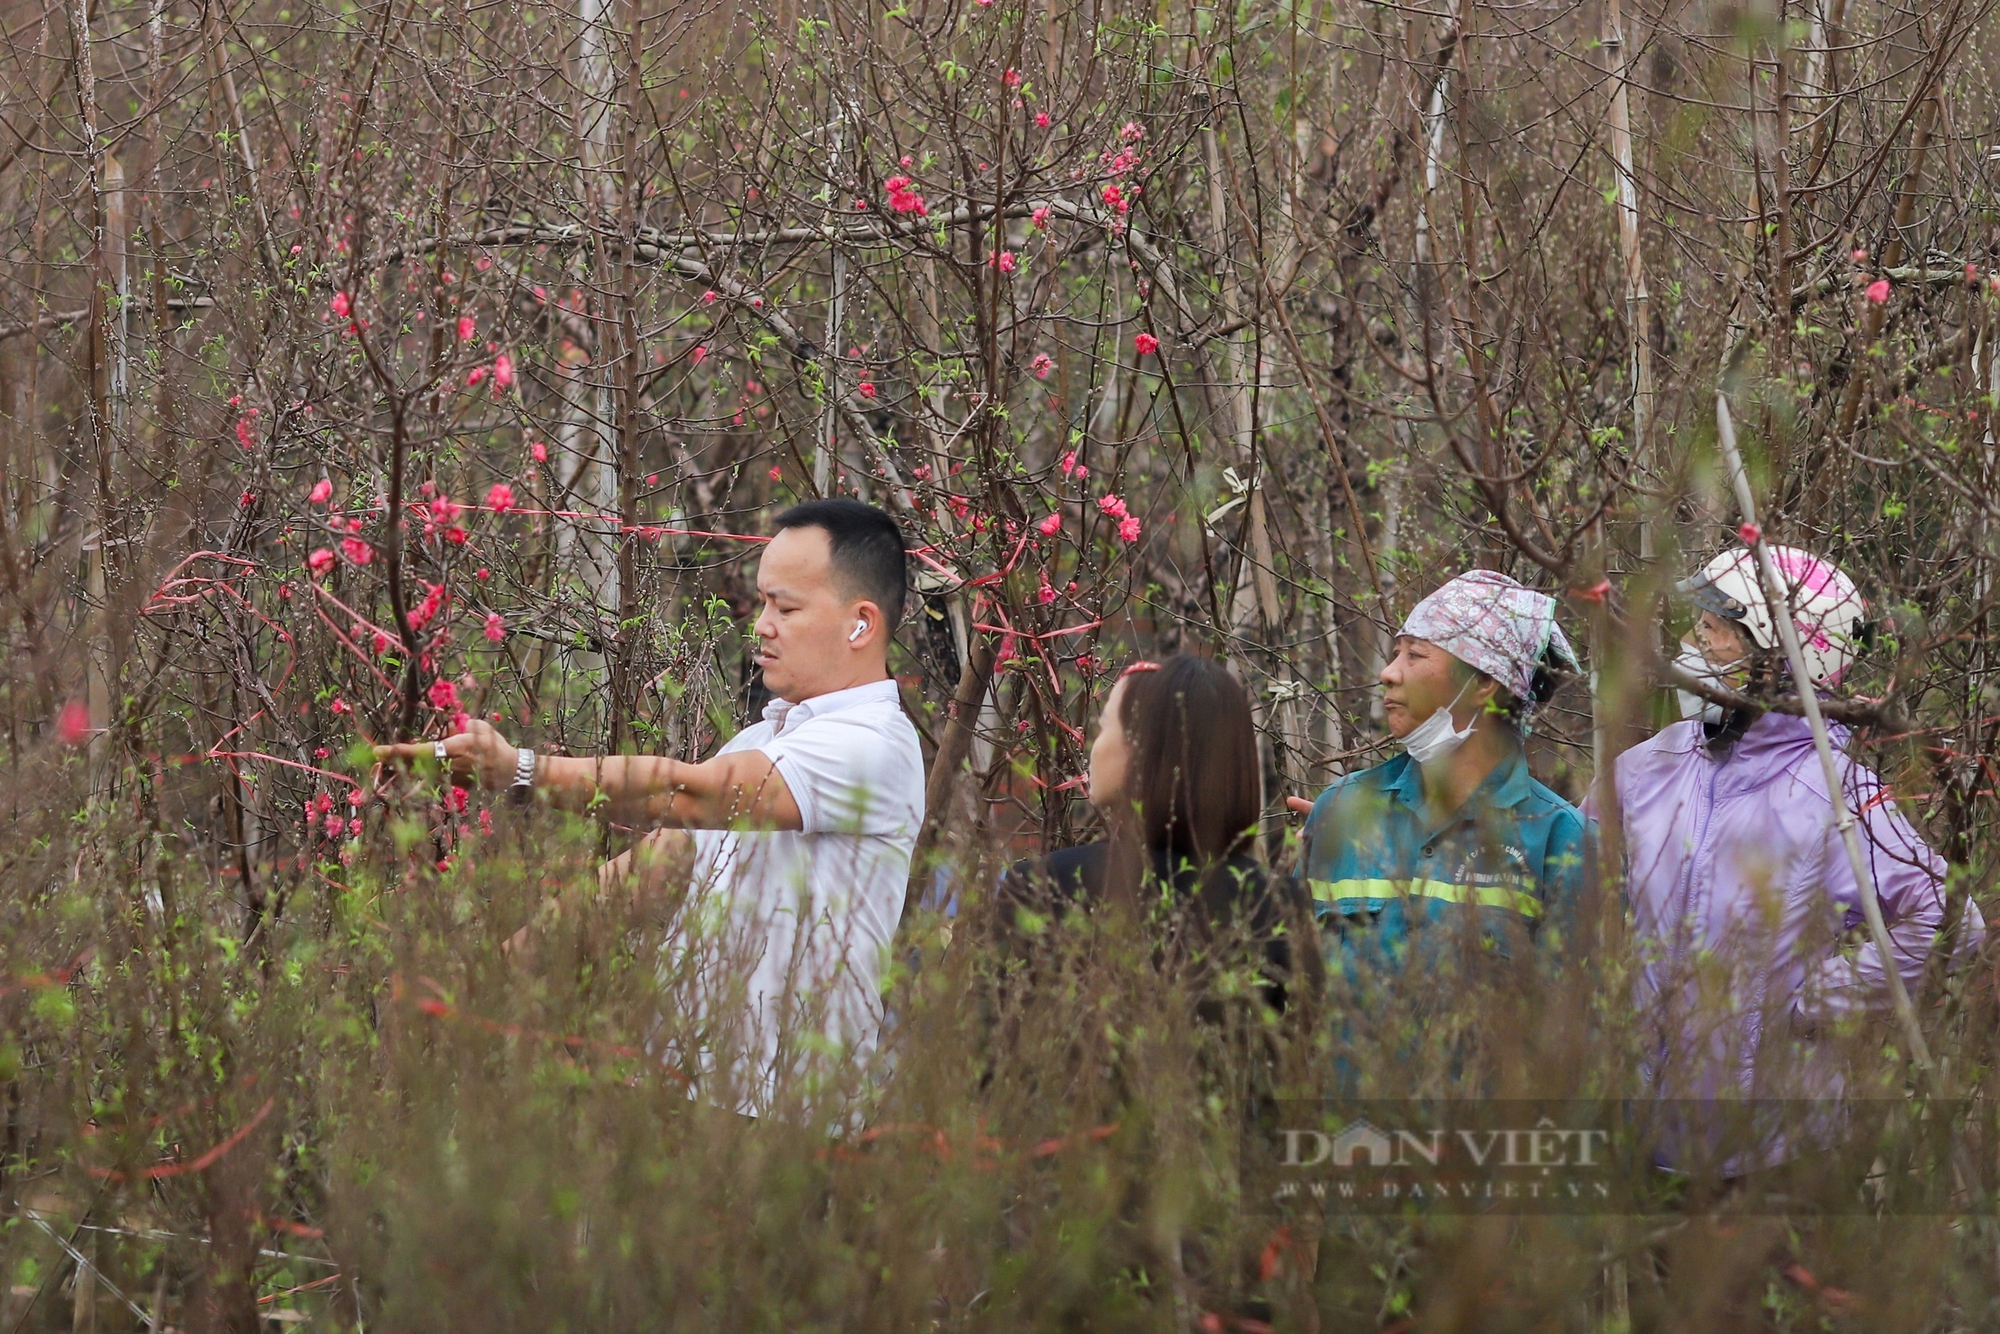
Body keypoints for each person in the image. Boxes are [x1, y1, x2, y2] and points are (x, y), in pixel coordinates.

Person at [379, 497, 925, 1113]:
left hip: (785, 1122)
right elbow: (644, 873)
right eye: (764, 602)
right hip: (681, 1096)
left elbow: (690, 796)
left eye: (787, 607)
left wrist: (521, 771)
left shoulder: (872, 746)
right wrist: (482, 980)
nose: (763, 625)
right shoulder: (764, 741)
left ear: (861, 623)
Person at [1618, 546, 1984, 1159]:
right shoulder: (1654, 762)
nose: (1689, 642)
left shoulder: (1835, 794)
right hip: (1636, 1142)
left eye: (1711, 629)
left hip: (1770, 1156)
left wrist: (1814, 1003)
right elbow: (1573, 878)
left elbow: (1952, 921)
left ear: (1778, 660)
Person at [1291, 570, 1589, 979]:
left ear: (1484, 681)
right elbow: (1287, 990)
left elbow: (1575, 1030)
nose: (1389, 673)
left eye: (1414, 655)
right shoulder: (1340, 810)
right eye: (1397, 653)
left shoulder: (1562, 841)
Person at [996, 654, 1319, 1015]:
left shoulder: (1042, 888)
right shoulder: (1279, 906)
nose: (1093, 745)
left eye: (1103, 727)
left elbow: (982, 1048)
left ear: (1144, 749)